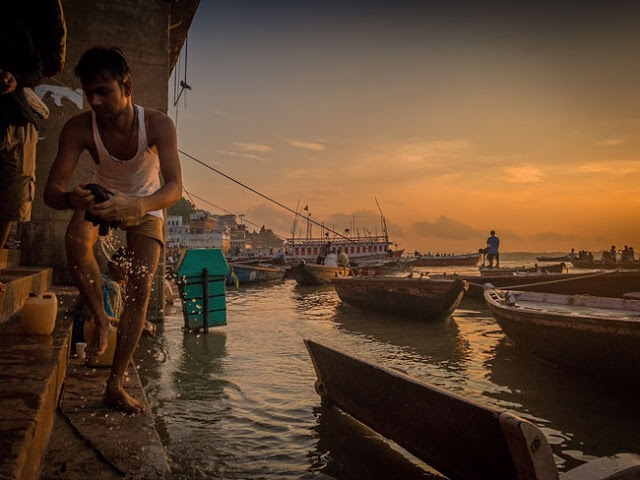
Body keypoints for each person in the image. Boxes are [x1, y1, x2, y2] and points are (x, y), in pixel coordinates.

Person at [44, 47, 182, 414]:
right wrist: (72, 198)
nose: (95, 101)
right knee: (75, 240)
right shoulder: (78, 128)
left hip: (145, 204)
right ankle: (102, 322)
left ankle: (115, 384)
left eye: (104, 91)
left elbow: (174, 188)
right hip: (101, 198)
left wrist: (137, 205)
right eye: (89, 93)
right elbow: (51, 192)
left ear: (127, 87)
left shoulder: (158, 125)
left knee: (141, 287)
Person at [0, 1, 66, 290]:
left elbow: (37, 67)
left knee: (10, 204)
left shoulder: (16, 24)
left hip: (16, 120)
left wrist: (15, 79)